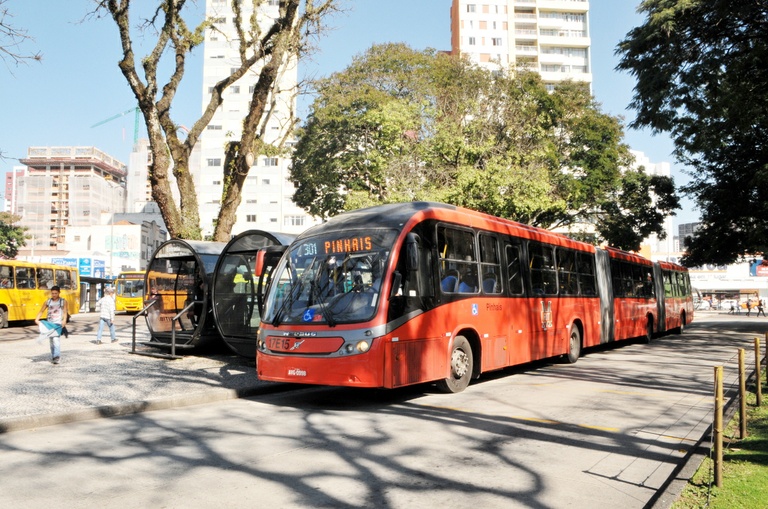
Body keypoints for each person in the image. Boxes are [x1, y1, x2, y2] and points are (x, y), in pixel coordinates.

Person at [35, 285, 68, 365]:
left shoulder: (63, 301)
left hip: (58, 324)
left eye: (55, 293)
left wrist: (64, 320)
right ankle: (54, 356)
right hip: (49, 323)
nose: (54, 295)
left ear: (59, 293)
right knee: (51, 341)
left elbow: (65, 312)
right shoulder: (48, 302)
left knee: (56, 340)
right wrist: (36, 319)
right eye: (52, 293)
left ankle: (57, 357)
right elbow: (41, 310)